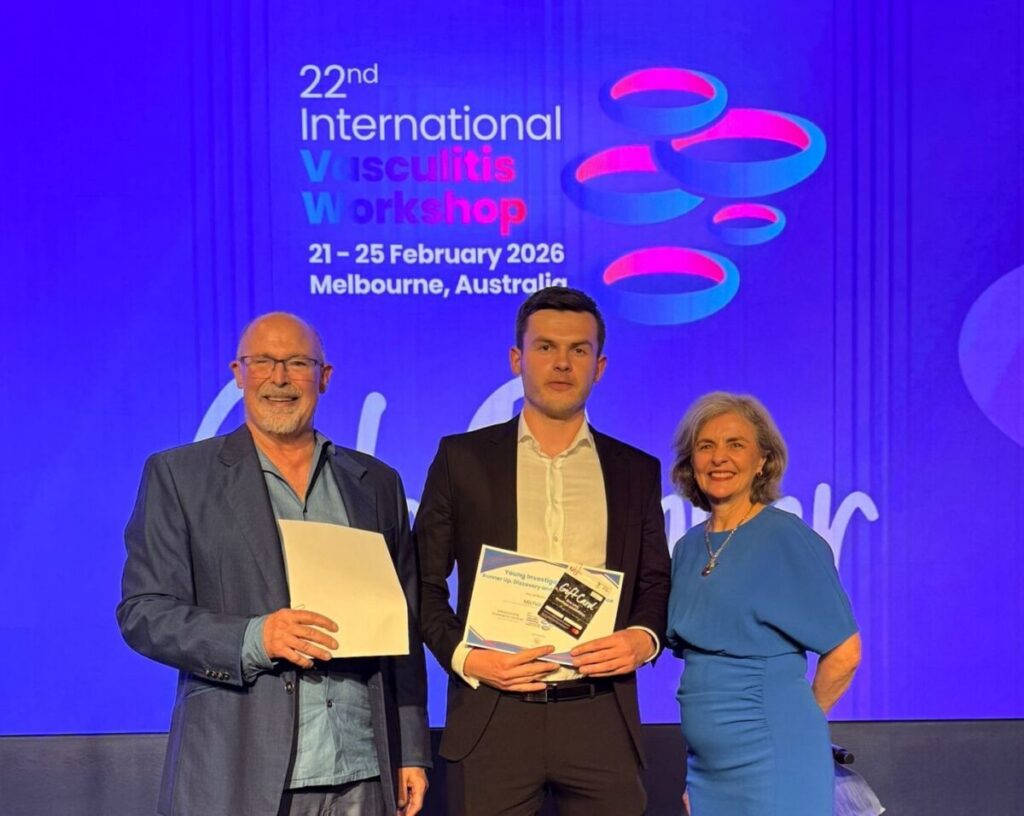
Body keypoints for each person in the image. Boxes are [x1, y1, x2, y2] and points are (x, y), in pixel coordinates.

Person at [117, 313, 430, 816]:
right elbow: (144, 612)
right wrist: (254, 638)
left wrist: (412, 748)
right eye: (262, 362)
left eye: (297, 363)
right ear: (238, 373)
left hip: (363, 770)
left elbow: (404, 628)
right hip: (240, 766)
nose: (279, 378)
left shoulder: (377, 483)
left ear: (324, 377)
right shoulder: (179, 476)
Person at [416, 287, 671, 816]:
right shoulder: (461, 459)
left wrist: (642, 641)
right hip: (493, 713)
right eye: (546, 347)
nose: (562, 362)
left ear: (599, 366)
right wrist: (467, 658)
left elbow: (655, 582)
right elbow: (422, 583)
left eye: (578, 350)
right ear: (517, 359)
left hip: (600, 715)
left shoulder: (634, 470)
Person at [666, 392, 862, 815]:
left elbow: (845, 652)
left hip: (777, 755)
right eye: (706, 446)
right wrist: (695, 769)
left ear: (762, 461)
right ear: (690, 462)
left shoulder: (786, 537)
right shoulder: (686, 549)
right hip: (707, 770)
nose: (720, 458)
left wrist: (801, 724)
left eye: (736, 444)